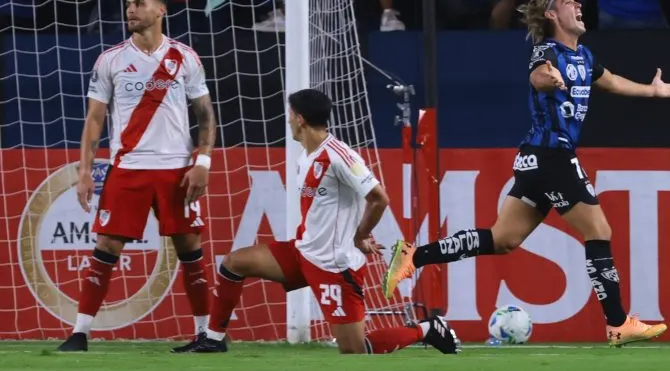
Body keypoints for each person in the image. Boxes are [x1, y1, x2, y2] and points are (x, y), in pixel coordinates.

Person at [384, 0, 670, 346]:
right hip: (552, 155)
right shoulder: (548, 51)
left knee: (503, 239)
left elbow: (612, 82)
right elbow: (537, 75)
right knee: (599, 230)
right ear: (551, 16)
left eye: (576, 0)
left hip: (535, 159)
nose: (576, 4)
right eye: (566, 1)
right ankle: (618, 323)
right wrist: (550, 78)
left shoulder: (585, 57)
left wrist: (652, 92)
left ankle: (414, 255)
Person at [174, 88, 461, 356]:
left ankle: (427, 329)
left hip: (333, 266)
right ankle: (213, 338)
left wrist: (360, 235)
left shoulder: (340, 157)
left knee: (355, 350)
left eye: (289, 115)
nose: (287, 121)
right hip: (302, 253)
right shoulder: (306, 156)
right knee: (234, 263)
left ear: (299, 119)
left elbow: (379, 198)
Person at [57, 0, 217, 352]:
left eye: (139, 3)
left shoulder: (185, 57)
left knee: (189, 247)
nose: (130, 9)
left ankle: (206, 334)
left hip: (177, 168)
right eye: (128, 4)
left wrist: (203, 161)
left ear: (161, 10)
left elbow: (206, 116)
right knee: (106, 245)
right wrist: (85, 170)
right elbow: (94, 120)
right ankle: (79, 333)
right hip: (127, 168)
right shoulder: (110, 60)